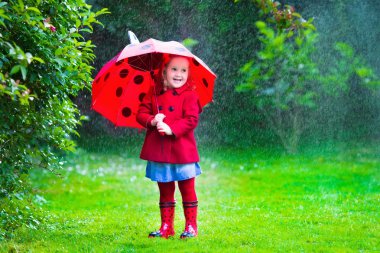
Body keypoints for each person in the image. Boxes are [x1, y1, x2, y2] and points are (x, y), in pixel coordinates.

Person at [136, 55, 202, 239]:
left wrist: (171, 128)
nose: (179, 74)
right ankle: (167, 226)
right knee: (165, 189)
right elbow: (140, 113)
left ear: (188, 74)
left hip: (182, 151)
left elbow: (192, 120)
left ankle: (191, 226)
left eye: (183, 70)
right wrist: (152, 120)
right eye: (174, 69)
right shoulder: (154, 93)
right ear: (164, 72)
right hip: (160, 151)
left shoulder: (190, 95)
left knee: (187, 187)